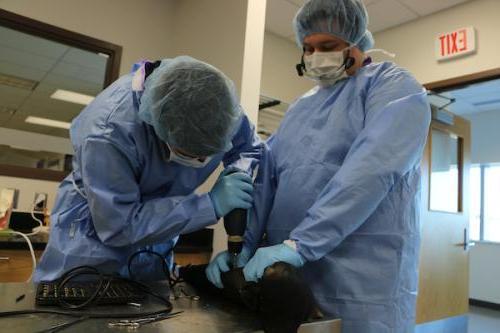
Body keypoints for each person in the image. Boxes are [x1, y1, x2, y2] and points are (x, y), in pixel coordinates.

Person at [206, 0, 431, 332]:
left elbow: (372, 170)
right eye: (308, 48)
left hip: (362, 282)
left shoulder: (392, 88)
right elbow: (268, 179)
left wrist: (301, 244)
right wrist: (243, 245)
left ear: (356, 41)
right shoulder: (301, 108)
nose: (316, 56)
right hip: (288, 279)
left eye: (328, 46)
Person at [34, 56, 262, 282]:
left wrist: (239, 173)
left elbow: (249, 148)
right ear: (158, 127)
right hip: (94, 242)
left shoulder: (218, 106)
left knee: (153, 303)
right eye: (191, 153)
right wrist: (208, 205)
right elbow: (119, 226)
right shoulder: (108, 134)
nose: (203, 160)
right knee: (78, 307)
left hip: (159, 240)